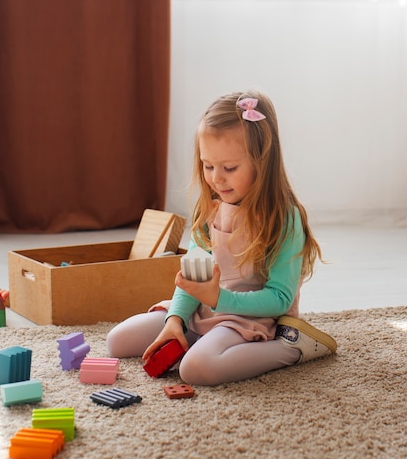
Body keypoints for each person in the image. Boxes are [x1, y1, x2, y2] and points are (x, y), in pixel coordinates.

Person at [107, 91, 337, 385]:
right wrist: (175, 320)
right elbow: (193, 280)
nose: (216, 178)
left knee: (196, 369)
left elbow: (279, 300)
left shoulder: (284, 218)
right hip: (206, 309)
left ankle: (292, 348)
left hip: (254, 317)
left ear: (262, 162)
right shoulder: (211, 210)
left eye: (229, 168)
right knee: (117, 341)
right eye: (208, 165)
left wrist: (219, 299)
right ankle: (199, 335)